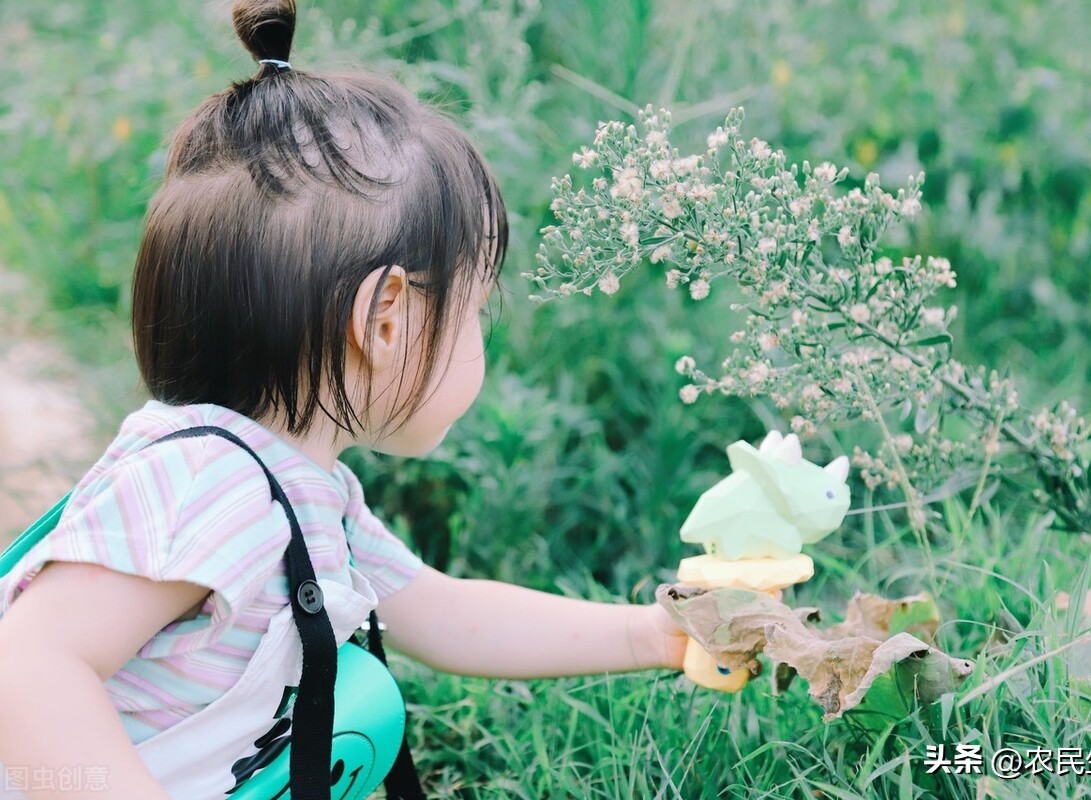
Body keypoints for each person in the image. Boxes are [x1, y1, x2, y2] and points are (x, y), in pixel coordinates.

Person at [0, 1, 688, 797]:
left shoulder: (308, 492)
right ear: (384, 320)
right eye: (473, 312)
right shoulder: (208, 488)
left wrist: (651, 633)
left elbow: (445, 613)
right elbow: (30, 661)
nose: (478, 344)